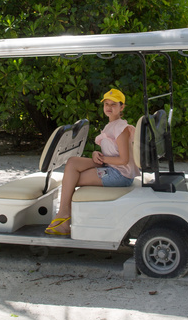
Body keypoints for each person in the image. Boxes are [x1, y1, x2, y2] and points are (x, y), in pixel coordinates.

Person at [45, 88, 138, 236]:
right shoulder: (112, 125)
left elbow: (124, 160)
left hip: (120, 174)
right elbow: (112, 152)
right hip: (111, 166)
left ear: (122, 107)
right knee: (72, 162)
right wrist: (96, 153)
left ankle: (63, 216)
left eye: (114, 104)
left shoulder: (121, 129)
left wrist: (103, 160)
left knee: (70, 180)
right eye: (106, 103)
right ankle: (64, 214)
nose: (108, 107)